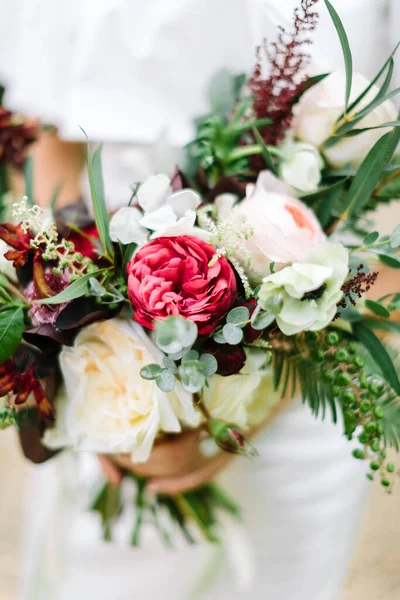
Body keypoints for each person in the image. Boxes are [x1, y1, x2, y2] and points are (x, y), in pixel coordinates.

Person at [0, 1, 395, 599]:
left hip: (306, 368)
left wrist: (250, 396)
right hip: (112, 369)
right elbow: (48, 138)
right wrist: (78, 320)